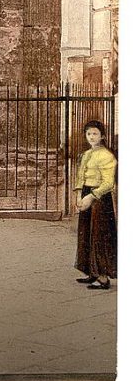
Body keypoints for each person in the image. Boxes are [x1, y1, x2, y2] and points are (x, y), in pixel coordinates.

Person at [74, 119, 117, 290]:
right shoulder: (86, 154)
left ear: (102, 136)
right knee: (86, 234)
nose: (92, 137)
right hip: (86, 194)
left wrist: (91, 197)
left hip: (100, 199)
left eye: (95, 134)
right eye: (89, 134)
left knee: (100, 236)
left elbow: (108, 184)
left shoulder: (107, 156)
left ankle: (103, 277)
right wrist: (79, 196)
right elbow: (80, 177)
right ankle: (91, 271)